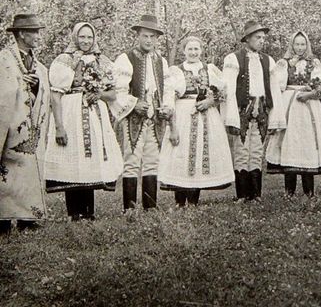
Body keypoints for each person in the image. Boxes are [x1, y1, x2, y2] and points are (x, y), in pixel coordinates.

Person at [43, 22, 123, 220]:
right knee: (73, 157)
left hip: (95, 115)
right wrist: (59, 126)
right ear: (75, 37)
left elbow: (113, 94)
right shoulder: (65, 60)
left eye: (89, 37)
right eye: (82, 37)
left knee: (91, 160)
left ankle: (89, 212)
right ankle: (74, 213)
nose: (86, 41)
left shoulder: (102, 60)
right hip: (71, 113)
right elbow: (55, 96)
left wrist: (99, 94)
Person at [158, 36, 234, 206]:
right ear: (183, 51)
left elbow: (224, 91)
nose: (193, 52)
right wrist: (172, 125)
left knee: (199, 153)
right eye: (189, 49)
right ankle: (180, 202)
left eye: (196, 49)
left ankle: (193, 201)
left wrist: (210, 101)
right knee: (181, 155)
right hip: (183, 115)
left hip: (206, 117)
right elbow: (169, 97)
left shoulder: (209, 69)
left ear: (201, 50)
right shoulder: (176, 71)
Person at [111, 14, 173, 211]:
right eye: (145, 36)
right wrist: (134, 103)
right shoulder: (125, 58)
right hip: (133, 118)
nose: (149, 40)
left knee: (152, 161)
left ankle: (150, 207)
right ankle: (129, 208)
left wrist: (166, 106)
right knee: (131, 161)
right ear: (137, 36)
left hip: (155, 118)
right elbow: (118, 90)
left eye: (153, 37)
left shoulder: (160, 61)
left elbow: (168, 88)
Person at [222, 21, 285, 201]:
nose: (261, 41)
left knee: (257, 150)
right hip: (243, 108)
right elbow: (229, 89)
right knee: (241, 150)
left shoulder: (268, 60)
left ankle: (255, 194)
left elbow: (274, 89)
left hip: (262, 109)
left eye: (263, 38)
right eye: (257, 37)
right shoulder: (234, 59)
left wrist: (275, 115)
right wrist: (231, 115)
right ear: (247, 39)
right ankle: (242, 194)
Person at [0, 13, 51, 235]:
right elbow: (4, 90)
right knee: (6, 170)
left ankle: (27, 218)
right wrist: (21, 85)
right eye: (34, 32)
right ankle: (2, 220)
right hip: (9, 122)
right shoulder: (5, 60)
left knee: (29, 168)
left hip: (30, 126)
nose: (38, 36)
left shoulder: (38, 65)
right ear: (22, 34)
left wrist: (37, 86)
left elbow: (44, 92)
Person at [266, 31, 321, 197]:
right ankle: (289, 192)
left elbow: (320, 86)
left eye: (303, 44)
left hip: (309, 103)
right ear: (291, 45)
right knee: (290, 141)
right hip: (290, 103)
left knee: (308, 142)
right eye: (297, 44)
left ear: (307, 45)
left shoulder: (314, 63)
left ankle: (309, 191)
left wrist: (310, 94)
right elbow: (278, 87)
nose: (300, 48)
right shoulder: (284, 63)